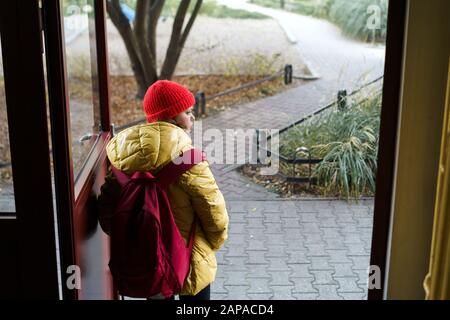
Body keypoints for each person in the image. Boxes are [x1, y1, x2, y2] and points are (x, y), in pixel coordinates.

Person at [98, 80, 229, 300]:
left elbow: (107, 211)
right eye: (187, 112)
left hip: (148, 258)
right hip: (190, 255)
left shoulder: (120, 158)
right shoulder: (188, 158)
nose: (192, 116)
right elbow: (212, 208)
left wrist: (134, 237)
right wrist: (214, 241)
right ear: (170, 118)